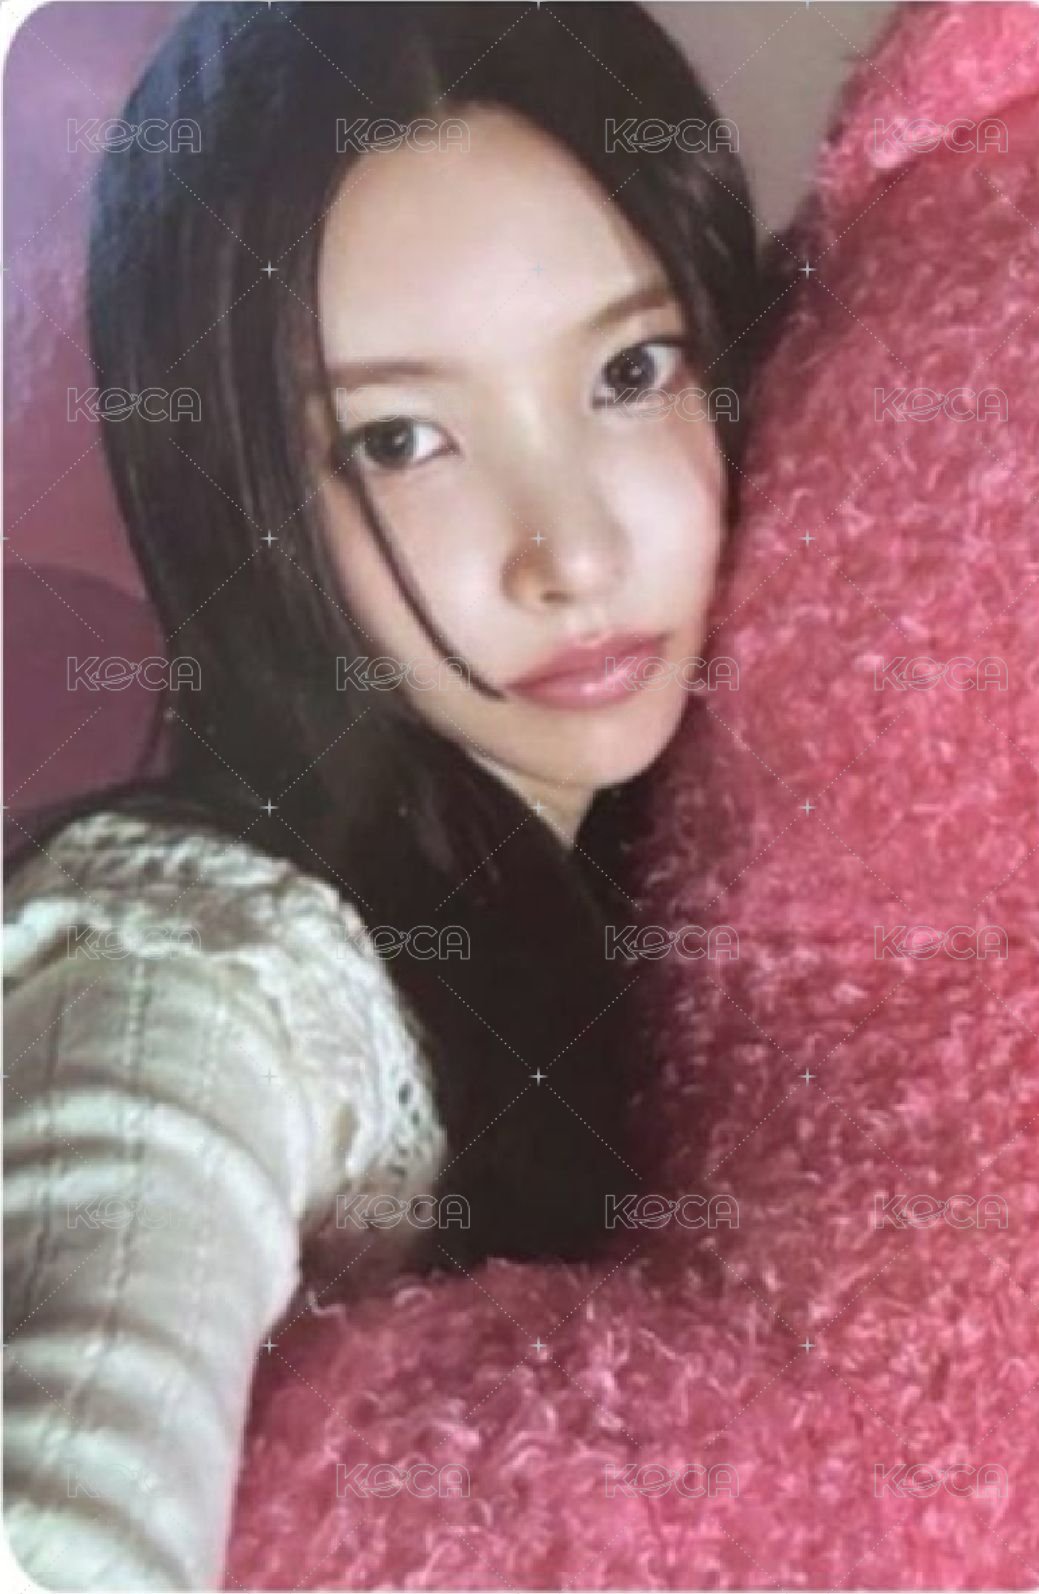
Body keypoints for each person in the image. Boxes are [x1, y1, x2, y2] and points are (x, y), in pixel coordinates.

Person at [3, 2, 769, 1586]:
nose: (569, 552)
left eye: (629, 369)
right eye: (402, 438)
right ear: (242, 501)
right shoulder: (196, 965)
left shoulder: (713, 876)